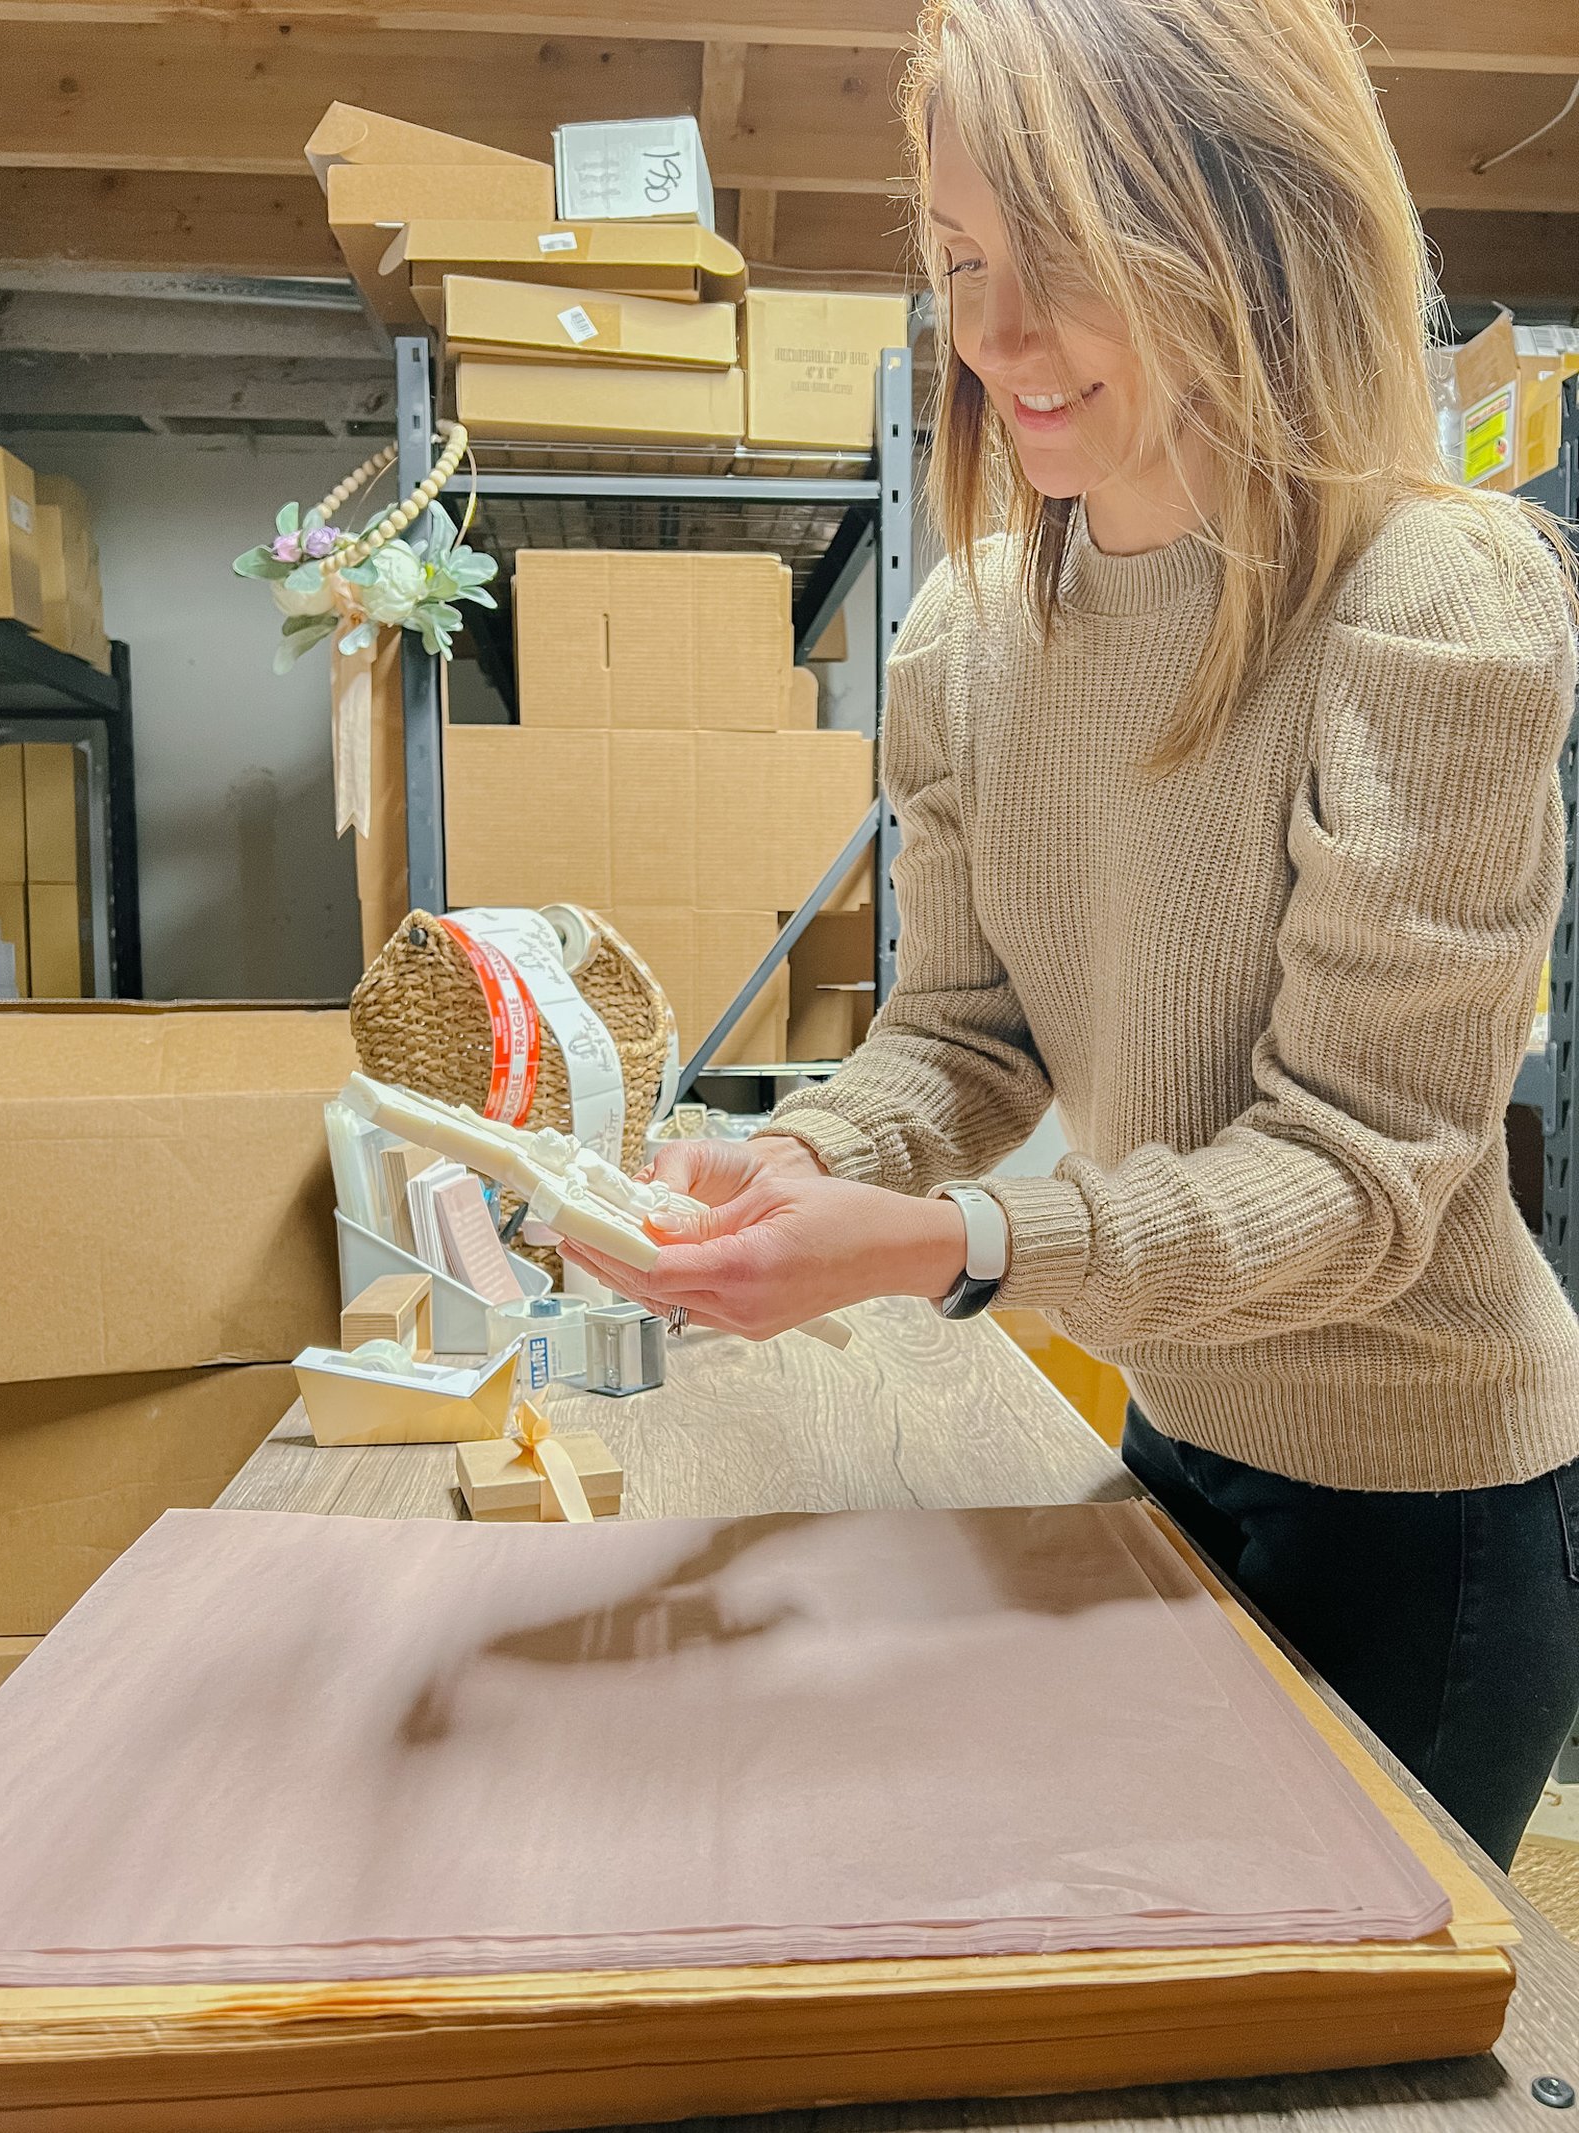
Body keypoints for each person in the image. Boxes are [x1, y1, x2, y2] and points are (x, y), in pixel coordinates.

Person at [559, 0, 1579, 1872]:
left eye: (1071, 265)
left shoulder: (1438, 604)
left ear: (1251, 236)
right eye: (960, 264)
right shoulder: (966, 637)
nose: (998, 338)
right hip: (1175, 1419)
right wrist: (793, 1156)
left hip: (1426, 1506)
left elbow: (1363, 1182)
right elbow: (961, 1036)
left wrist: (952, 1247)